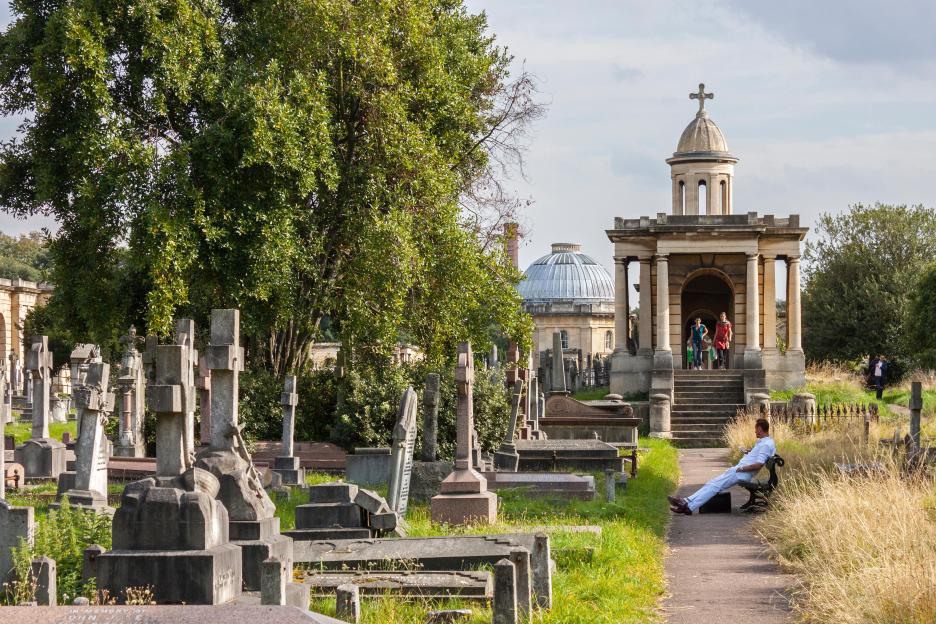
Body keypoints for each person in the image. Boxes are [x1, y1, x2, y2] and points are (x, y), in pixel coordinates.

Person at [668, 418, 775, 515]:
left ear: (760, 429)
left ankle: (689, 506)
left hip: (742, 473)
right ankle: (686, 502)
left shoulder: (765, 445)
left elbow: (758, 465)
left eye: (756, 429)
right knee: (712, 484)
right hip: (739, 471)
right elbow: (758, 456)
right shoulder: (764, 442)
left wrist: (740, 468)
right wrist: (748, 451)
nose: (755, 431)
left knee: (714, 487)